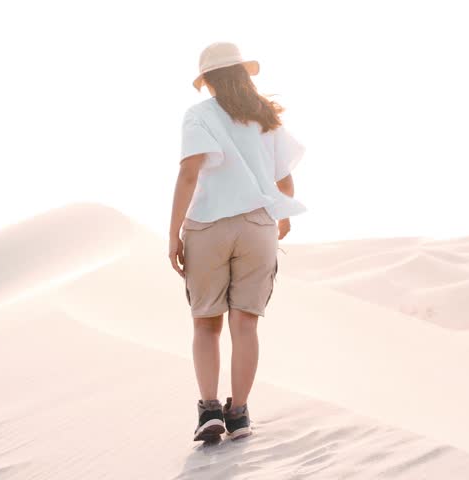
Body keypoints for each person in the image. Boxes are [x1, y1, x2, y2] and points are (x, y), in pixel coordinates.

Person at [167, 42, 307, 443]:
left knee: (206, 323)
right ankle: (240, 414)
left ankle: (209, 410)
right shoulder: (265, 117)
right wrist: (280, 217)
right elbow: (284, 177)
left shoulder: (198, 116)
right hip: (258, 225)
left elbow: (189, 175)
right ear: (245, 74)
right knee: (245, 323)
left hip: (208, 224)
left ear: (208, 80)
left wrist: (173, 233)